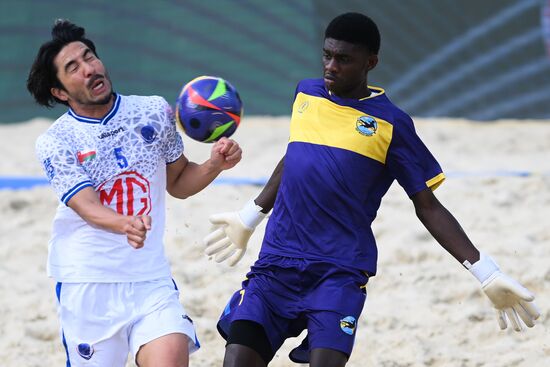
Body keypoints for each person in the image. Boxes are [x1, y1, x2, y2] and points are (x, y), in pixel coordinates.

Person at [203, 12, 540, 367]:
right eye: (327, 55)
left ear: (371, 62)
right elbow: (296, 156)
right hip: (276, 264)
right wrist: (251, 214)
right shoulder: (306, 93)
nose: (331, 66)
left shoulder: (392, 123)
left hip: (338, 273)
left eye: (343, 59)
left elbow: (428, 207)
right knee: (237, 359)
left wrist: (485, 271)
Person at [27, 19, 242, 367]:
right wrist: (122, 223)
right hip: (89, 284)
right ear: (60, 92)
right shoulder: (55, 140)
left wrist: (214, 164)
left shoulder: (153, 110)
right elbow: (87, 206)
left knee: (171, 358)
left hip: (150, 278)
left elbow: (179, 182)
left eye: (89, 57)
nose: (89, 68)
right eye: (73, 68)